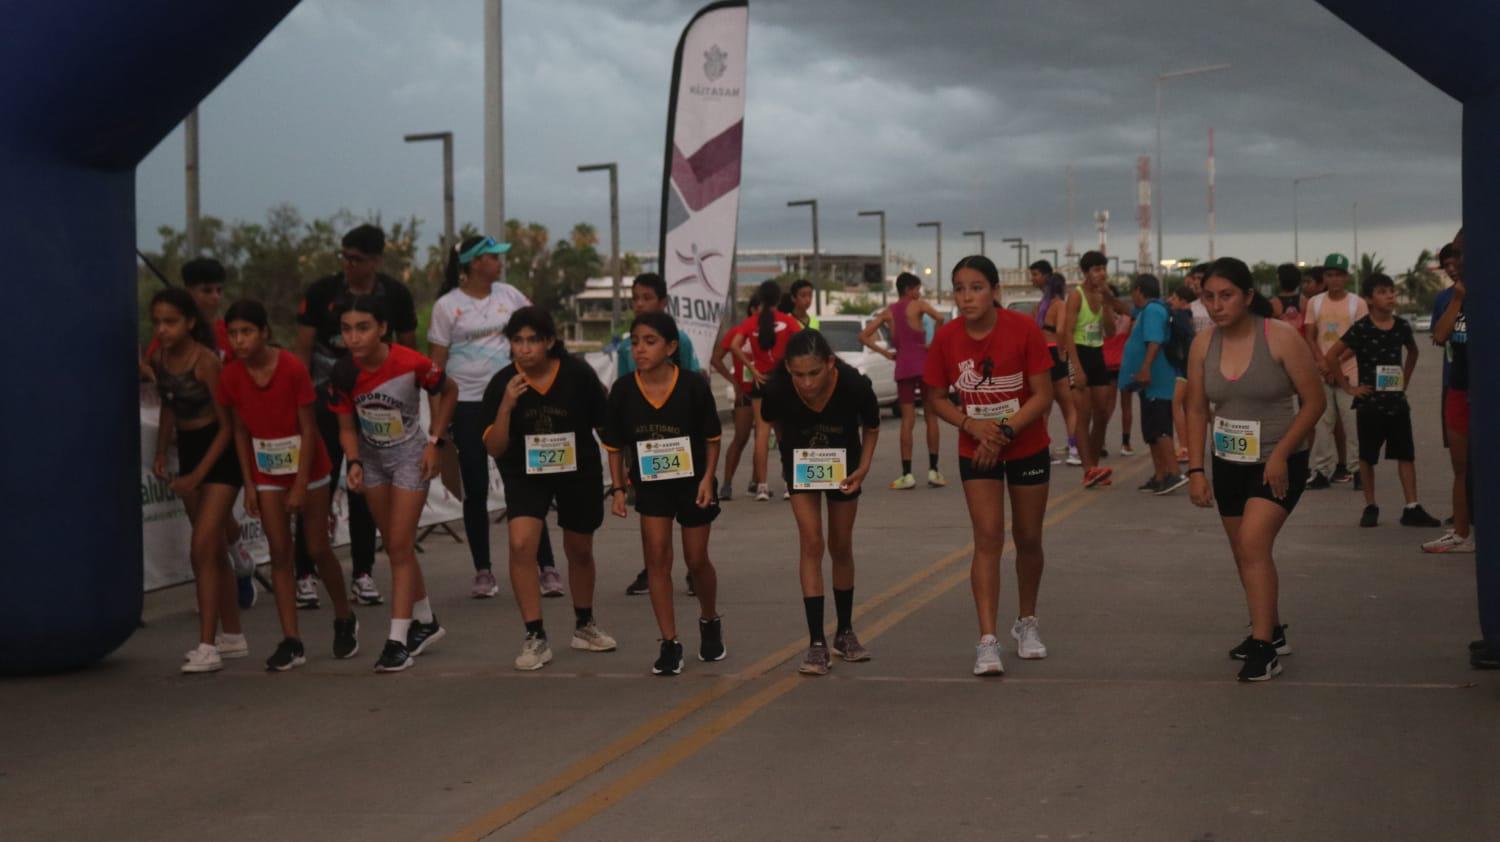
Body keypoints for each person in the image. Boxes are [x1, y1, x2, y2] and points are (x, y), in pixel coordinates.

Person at [1186, 257, 1324, 682]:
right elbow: (1194, 407)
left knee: (1252, 542)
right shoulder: (1203, 344)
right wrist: (1195, 468)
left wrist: (1282, 452)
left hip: (1277, 463)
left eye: (1226, 295)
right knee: (1244, 551)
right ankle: (1271, 629)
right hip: (1229, 460)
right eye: (1209, 297)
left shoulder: (1280, 337)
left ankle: (1265, 649)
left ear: (1247, 296)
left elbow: (1314, 401)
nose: (1217, 305)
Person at [923, 256, 1055, 676]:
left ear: (995, 291)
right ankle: (987, 641)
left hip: (1024, 445)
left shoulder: (1023, 329)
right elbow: (936, 397)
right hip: (975, 449)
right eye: (959, 288)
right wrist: (969, 424)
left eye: (976, 287)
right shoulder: (945, 338)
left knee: (1028, 537)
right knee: (988, 539)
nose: (967, 297)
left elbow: (1042, 395)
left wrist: (1002, 432)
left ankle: (1027, 622)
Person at [218, 300, 359, 670]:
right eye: (233, 333)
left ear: (264, 332)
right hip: (265, 472)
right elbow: (238, 430)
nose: (239, 340)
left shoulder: (292, 368)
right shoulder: (231, 376)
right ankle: (291, 640)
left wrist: (299, 484)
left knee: (315, 547)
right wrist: (249, 483)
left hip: (308, 469)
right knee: (279, 551)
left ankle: (344, 617)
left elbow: (309, 428)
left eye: (246, 332)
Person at [428, 234, 565, 600]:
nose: (499, 262)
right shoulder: (446, 306)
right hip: (468, 403)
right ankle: (483, 571)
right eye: (492, 257)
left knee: (527, 481)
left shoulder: (510, 295)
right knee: (475, 487)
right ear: (474, 264)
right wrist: (437, 426)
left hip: (514, 394)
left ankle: (547, 566)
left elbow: (538, 331)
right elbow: (435, 369)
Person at [327, 295, 458, 673]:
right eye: (347, 329)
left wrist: (436, 442)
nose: (354, 337)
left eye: (363, 328)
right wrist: (352, 461)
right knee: (396, 544)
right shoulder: (342, 372)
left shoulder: (409, 362)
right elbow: (346, 425)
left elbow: (449, 392)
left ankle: (396, 641)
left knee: (399, 547)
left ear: (382, 328)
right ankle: (425, 620)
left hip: (409, 459)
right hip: (372, 462)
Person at [482, 306, 617, 670]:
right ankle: (535, 635)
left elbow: (605, 426)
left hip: (577, 468)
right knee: (521, 543)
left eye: (532, 341)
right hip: (524, 470)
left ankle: (584, 624)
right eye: (517, 341)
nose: (524, 349)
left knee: (579, 549)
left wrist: (623, 477)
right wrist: (507, 405)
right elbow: (494, 446)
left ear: (549, 342)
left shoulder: (576, 375)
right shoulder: (501, 384)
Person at [294, 224, 419, 609]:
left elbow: (409, 353)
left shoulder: (395, 294)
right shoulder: (321, 293)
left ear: (377, 261)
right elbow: (302, 350)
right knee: (319, 488)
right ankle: (305, 574)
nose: (348, 264)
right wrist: (298, 406)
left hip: (374, 407)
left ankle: (363, 573)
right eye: (344, 257)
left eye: (357, 259)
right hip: (322, 404)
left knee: (365, 486)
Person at [603, 312, 726, 676]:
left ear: (671, 347)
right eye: (635, 341)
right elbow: (614, 445)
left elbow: (713, 438)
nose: (639, 349)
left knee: (696, 558)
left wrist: (707, 479)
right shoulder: (623, 390)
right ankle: (669, 643)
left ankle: (709, 619)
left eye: (650, 341)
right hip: (651, 484)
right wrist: (618, 489)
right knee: (657, 558)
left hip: (693, 483)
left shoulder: (692, 386)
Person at [760, 329, 881, 675]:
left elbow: (871, 427)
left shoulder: (855, 385)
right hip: (802, 468)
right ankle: (817, 643)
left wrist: (864, 468)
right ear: (788, 369)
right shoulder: (778, 389)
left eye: (814, 373)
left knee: (840, 545)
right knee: (811, 542)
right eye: (799, 375)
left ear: (830, 363)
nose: (807, 383)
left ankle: (844, 631)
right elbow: (775, 423)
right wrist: (791, 457)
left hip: (846, 468)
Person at [144, 259, 256, 608]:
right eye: (207, 290)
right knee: (207, 523)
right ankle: (221, 583)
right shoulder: (161, 350)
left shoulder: (224, 339)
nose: (215, 297)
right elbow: (166, 399)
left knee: (212, 523)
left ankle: (230, 580)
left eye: (219, 290)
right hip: (187, 442)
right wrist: (162, 449)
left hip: (224, 435)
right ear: (190, 295)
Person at [149, 287, 246, 673]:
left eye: (170, 322)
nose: (163, 329)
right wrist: (160, 452)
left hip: (218, 454)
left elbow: (228, 427)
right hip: (188, 449)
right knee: (213, 549)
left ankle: (207, 646)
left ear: (190, 322)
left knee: (202, 546)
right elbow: (170, 407)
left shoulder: (206, 362)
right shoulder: (158, 358)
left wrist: (197, 475)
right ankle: (233, 635)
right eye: (157, 322)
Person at [1320, 274, 1442, 529]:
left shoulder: (1401, 326)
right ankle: (1370, 505)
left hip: (1396, 403)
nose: (1390, 296)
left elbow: (1413, 351)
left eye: (1392, 292)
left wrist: (1405, 380)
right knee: (1367, 456)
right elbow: (1332, 356)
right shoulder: (1362, 328)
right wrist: (1349, 387)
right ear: (1369, 299)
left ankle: (1412, 506)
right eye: (1383, 292)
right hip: (1370, 404)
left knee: (1406, 454)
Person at [619, 272, 703, 596]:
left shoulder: (680, 339)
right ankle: (652, 566)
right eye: (635, 298)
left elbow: (694, 383)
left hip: (681, 439)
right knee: (650, 507)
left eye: (646, 298)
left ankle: (694, 568)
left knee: (687, 506)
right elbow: (624, 393)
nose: (639, 304)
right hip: (643, 441)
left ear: (663, 302)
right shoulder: (627, 347)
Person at [859, 272, 946, 489]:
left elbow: (863, 336)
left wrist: (886, 353)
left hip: (904, 366)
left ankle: (907, 474)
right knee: (931, 416)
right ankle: (934, 471)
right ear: (908, 289)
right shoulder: (919, 305)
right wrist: (933, 343)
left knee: (907, 421)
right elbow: (940, 318)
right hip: (925, 365)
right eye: (916, 289)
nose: (918, 293)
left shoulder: (888, 312)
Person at [731, 280, 803, 501]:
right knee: (786, 434)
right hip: (782, 381)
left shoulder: (751, 323)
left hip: (760, 382)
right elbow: (803, 341)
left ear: (760, 299)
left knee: (762, 434)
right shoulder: (788, 321)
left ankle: (761, 486)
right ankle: (789, 485)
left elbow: (734, 345)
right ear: (779, 299)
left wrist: (751, 367)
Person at [1424, 242, 1474, 554]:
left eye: (1455, 260)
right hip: (1457, 386)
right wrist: (1457, 299)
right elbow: (1440, 336)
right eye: (1446, 264)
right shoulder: (1448, 297)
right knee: (1461, 466)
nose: (1451, 267)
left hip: (1483, 390)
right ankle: (1460, 533)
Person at [1120, 275, 1187, 495]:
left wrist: (1146, 367)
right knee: (1151, 431)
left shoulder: (1153, 311)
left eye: (1132, 291)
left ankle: (1174, 472)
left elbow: (1155, 341)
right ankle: (1160, 475)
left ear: (1139, 290)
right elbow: (1124, 310)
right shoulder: (1147, 311)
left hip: (1157, 381)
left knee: (1160, 429)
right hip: (1149, 385)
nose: (1132, 296)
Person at [1304, 253, 1367, 489]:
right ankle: (1321, 470)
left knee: (1352, 423)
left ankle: (1357, 469)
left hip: (1349, 370)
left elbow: (1358, 339)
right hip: (1322, 371)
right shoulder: (1315, 303)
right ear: (1324, 277)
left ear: (1347, 277)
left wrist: (1336, 364)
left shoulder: (1357, 303)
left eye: (1339, 275)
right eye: (1330, 275)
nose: (1335, 280)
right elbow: (1310, 336)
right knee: (1322, 423)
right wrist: (1322, 363)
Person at [1057, 251, 1117, 487]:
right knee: (1084, 414)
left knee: (1102, 413)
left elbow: (1110, 332)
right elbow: (1066, 333)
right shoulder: (1076, 296)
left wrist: (1108, 303)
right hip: (1078, 353)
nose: (1101, 273)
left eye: (1103, 268)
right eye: (1096, 269)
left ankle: (1093, 463)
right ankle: (1088, 467)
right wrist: (1076, 367)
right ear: (1086, 272)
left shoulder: (1102, 296)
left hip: (1097, 352)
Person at [711, 298, 763, 501]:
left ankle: (757, 481)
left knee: (762, 438)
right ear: (752, 309)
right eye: (761, 308)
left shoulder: (770, 332)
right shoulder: (737, 333)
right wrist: (733, 380)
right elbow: (716, 358)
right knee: (741, 437)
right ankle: (727, 483)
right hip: (745, 393)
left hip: (765, 391)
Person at [1029, 265, 1080, 465]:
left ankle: (1043, 449)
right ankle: (1073, 449)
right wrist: (1061, 352)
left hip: (1041, 353)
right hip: (1054, 352)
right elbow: (1061, 330)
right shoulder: (1059, 304)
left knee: (1043, 406)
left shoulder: (1040, 306)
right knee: (1069, 405)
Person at [1167, 285, 1198, 464]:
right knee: (1189, 407)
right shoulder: (1188, 316)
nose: (1171, 301)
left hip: (1183, 366)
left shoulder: (1179, 317)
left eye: (1174, 297)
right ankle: (1190, 445)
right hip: (1188, 366)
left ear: (1183, 301)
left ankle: (1185, 447)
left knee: (1176, 404)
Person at [1103, 295, 1133, 457]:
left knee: (1108, 406)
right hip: (1124, 364)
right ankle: (1125, 443)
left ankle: (1101, 441)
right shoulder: (1126, 320)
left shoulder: (1101, 321)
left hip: (1107, 365)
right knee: (1126, 406)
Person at [1272, 263, 1305, 331]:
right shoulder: (1304, 301)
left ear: (1279, 280)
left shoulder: (1273, 303)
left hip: (1282, 339)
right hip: (1300, 340)